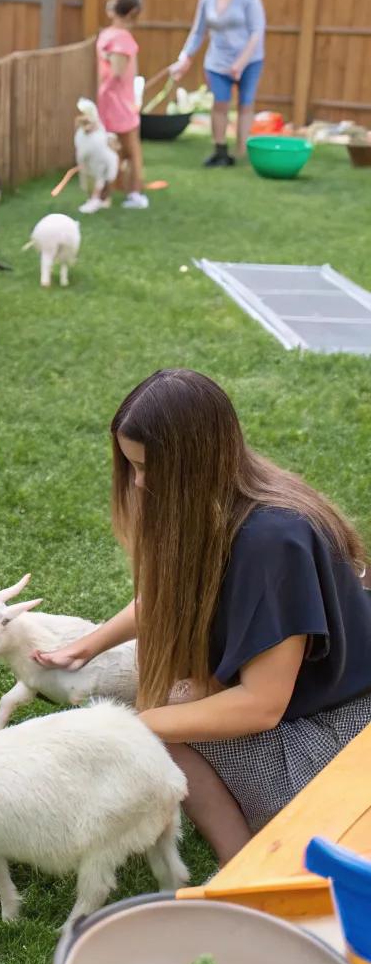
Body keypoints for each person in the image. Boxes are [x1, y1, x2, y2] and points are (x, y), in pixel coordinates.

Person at [34, 369, 371, 867]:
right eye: (131, 466)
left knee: (165, 719)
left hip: (341, 739)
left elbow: (261, 706)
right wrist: (90, 644)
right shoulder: (230, 499)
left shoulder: (271, 542)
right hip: (321, 701)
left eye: (149, 467)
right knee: (161, 701)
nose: (140, 481)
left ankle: (243, 864)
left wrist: (139, 725)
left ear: (195, 461)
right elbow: (173, 596)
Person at [169, 0, 266, 167]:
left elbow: (257, 31)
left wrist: (240, 63)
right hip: (218, 61)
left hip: (249, 59)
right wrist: (184, 58)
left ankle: (241, 150)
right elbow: (198, 31)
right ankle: (220, 150)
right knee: (220, 103)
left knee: (245, 103)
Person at [91, 0, 147, 212]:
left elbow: (114, 70)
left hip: (112, 102)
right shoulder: (118, 37)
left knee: (120, 151)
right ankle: (126, 193)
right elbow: (116, 70)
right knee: (126, 151)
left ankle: (117, 194)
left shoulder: (113, 36)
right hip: (117, 103)